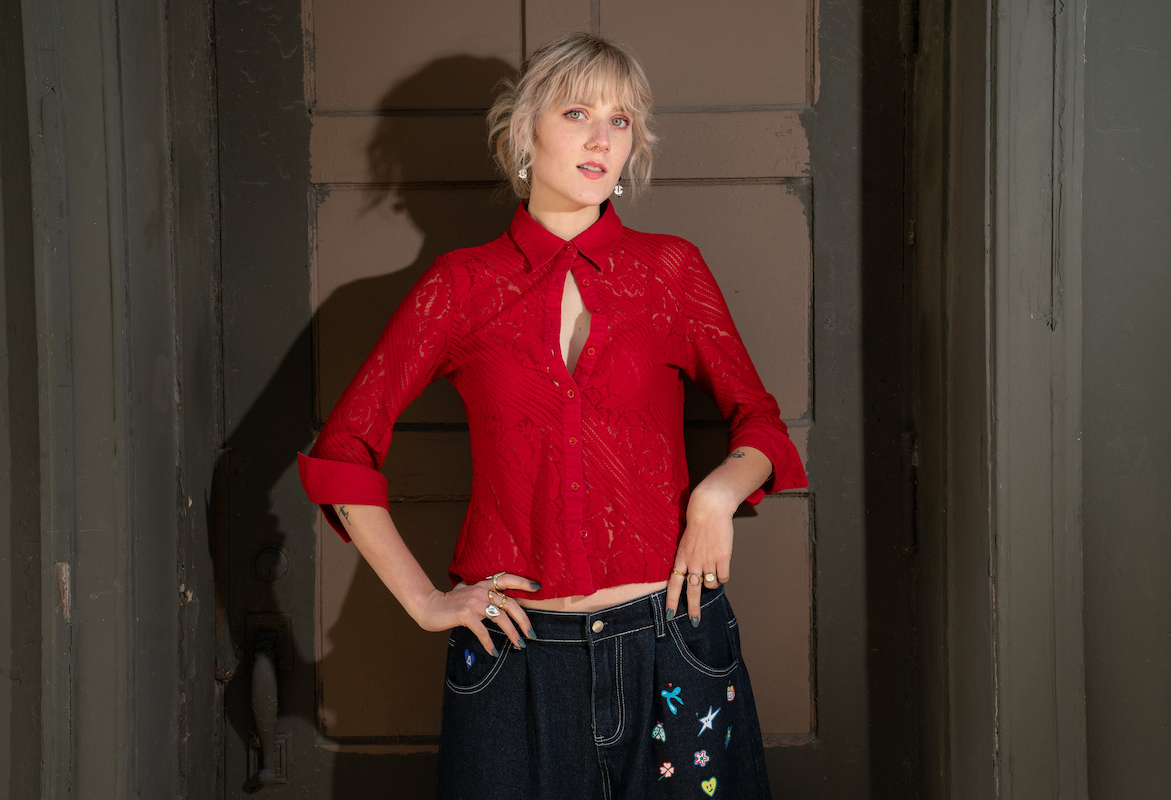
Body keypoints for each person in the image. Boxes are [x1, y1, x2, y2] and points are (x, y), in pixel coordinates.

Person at [298, 31, 807, 799]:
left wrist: (718, 495)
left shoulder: (671, 270)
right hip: (514, 656)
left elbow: (760, 422)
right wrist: (426, 600)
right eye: (578, 113)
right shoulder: (459, 286)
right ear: (525, 129)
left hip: (674, 641)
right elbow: (344, 452)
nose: (604, 138)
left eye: (623, 120)